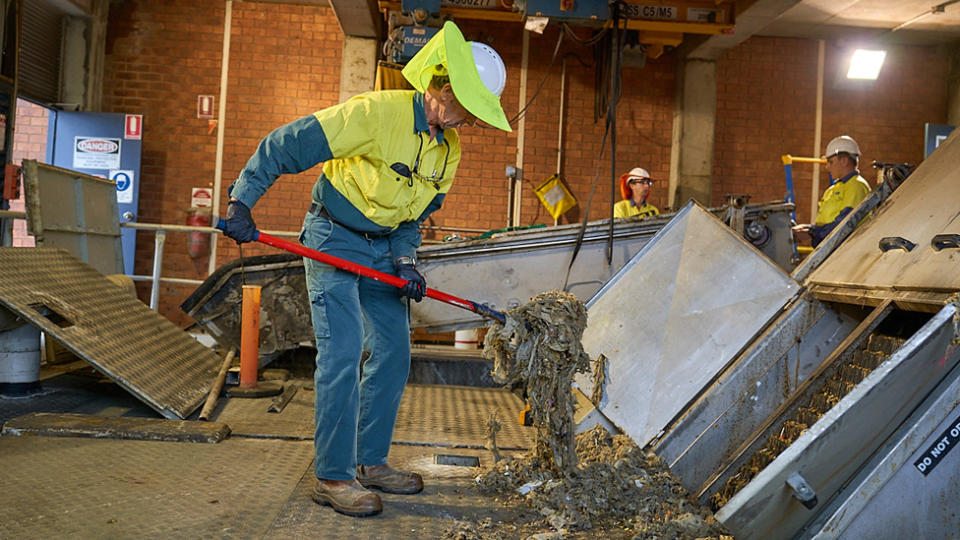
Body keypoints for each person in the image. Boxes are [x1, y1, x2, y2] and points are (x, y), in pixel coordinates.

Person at [220, 21, 511, 518]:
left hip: (382, 252)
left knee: (395, 352)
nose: (472, 122)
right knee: (343, 352)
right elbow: (288, 144)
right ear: (442, 91)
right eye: (469, 108)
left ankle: (370, 463)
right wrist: (242, 201)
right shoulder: (377, 113)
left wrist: (405, 260)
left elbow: (413, 216)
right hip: (333, 235)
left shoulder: (450, 149)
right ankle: (333, 476)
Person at [792, 135, 871, 248]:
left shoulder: (857, 186)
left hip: (846, 251)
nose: (827, 167)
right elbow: (826, 223)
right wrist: (808, 228)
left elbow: (844, 224)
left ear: (844, 161)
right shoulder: (832, 189)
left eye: (830, 162)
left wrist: (812, 234)